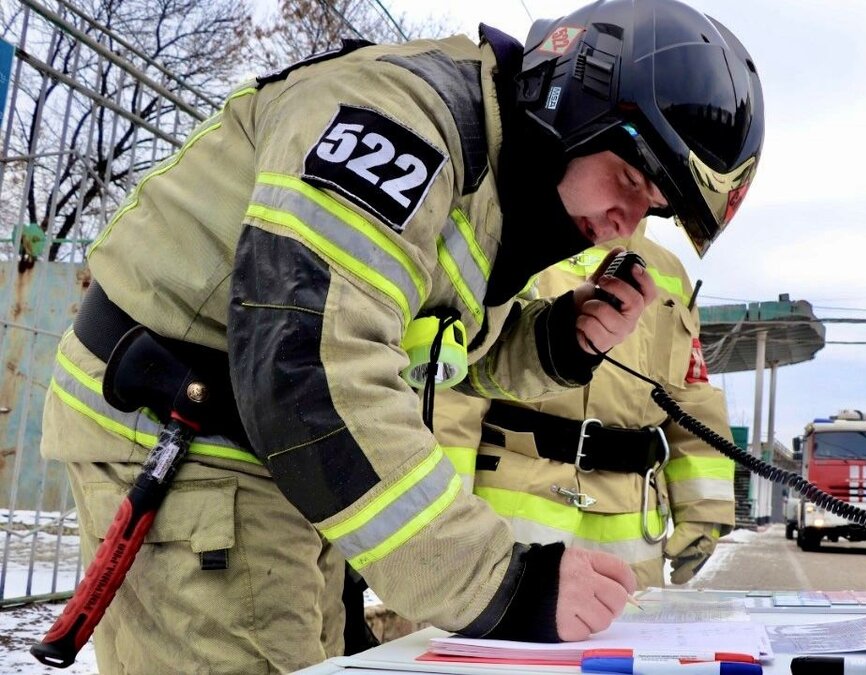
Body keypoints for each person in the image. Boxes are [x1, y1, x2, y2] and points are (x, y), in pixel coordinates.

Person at [40, 0, 763, 671]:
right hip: (191, 440)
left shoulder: (488, 186)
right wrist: (501, 582)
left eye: (654, 208)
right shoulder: (399, 125)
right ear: (579, 103)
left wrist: (555, 343)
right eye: (630, 179)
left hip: (271, 457)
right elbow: (309, 366)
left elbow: (423, 355)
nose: (627, 224)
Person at [433, 223, 735, 590]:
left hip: (632, 531)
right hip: (510, 520)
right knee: (511, 645)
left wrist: (704, 510)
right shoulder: (510, 239)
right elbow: (456, 387)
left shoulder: (670, 273)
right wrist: (445, 513)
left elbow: (690, 395)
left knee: (625, 643)